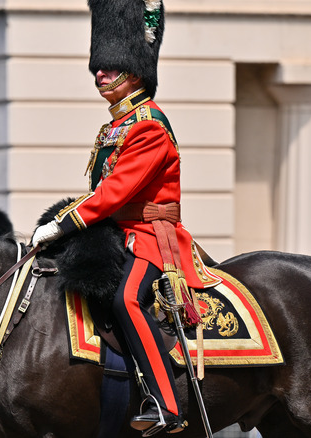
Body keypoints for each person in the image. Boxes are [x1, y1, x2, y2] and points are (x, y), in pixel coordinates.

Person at [31, 0, 220, 433]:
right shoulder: (114, 126)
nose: (99, 74)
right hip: (118, 233)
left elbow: (115, 193)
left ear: (134, 71)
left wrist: (63, 222)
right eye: (98, 67)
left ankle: (167, 406)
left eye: (109, 66)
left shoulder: (149, 126)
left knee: (126, 299)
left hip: (151, 236)